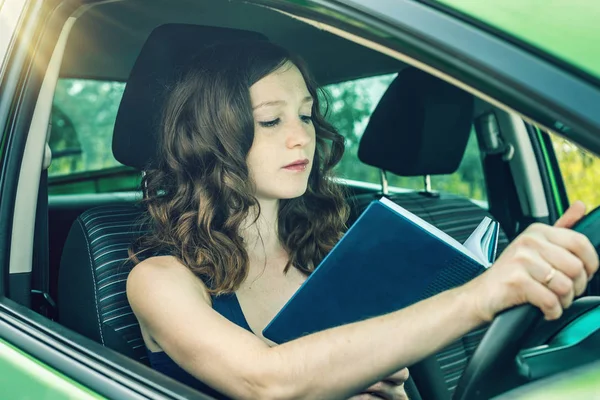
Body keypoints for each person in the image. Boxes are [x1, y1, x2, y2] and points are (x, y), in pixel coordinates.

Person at [126, 40, 599, 400]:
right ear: (211, 139)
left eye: (307, 116)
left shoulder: (331, 250)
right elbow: (266, 381)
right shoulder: (159, 280)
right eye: (271, 121)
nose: (301, 139)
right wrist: (482, 295)